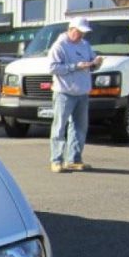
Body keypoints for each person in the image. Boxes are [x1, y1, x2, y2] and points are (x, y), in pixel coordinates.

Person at [48, 17, 103, 173]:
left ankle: (74, 159)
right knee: (59, 127)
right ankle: (56, 160)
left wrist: (96, 63)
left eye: (83, 33)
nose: (81, 36)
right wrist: (75, 66)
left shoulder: (85, 45)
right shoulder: (59, 46)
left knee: (80, 127)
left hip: (82, 92)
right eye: (79, 32)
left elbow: (91, 62)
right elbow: (52, 68)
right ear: (71, 29)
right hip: (64, 93)